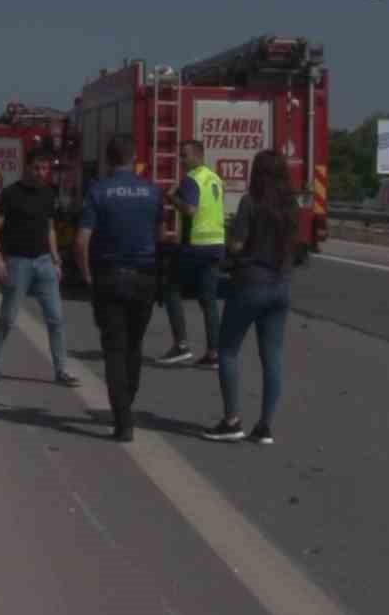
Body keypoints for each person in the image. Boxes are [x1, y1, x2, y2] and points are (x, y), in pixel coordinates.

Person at [202, 150, 298, 445]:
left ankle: (232, 421)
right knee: (272, 357)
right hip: (281, 286)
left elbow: (237, 244)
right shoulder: (290, 205)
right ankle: (265, 427)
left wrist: (232, 243)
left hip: (251, 284)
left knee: (228, 350)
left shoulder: (250, 202)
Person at [75, 135, 164, 442]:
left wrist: (86, 275)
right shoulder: (153, 192)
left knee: (114, 349)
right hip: (144, 276)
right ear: (134, 157)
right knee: (134, 345)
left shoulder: (98, 192)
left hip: (109, 277)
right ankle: (128, 399)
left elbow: (81, 241)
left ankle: (123, 420)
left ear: (108, 160)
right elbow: (160, 235)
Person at [0, 149, 76, 386]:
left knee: (55, 319)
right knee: (7, 319)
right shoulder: (11, 194)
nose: (42, 173)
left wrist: (56, 259)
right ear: (27, 167)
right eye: (37, 168)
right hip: (18, 264)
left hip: (44, 263)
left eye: (45, 169)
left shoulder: (47, 193)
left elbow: (50, 228)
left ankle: (61, 370)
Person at [160, 140, 225, 367]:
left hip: (196, 244)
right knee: (208, 300)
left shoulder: (191, 179)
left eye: (184, 156)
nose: (181, 160)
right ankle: (214, 353)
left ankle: (181, 345)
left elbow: (190, 209)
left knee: (170, 288)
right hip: (216, 244)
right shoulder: (214, 178)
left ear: (197, 156)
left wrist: (171, 198)